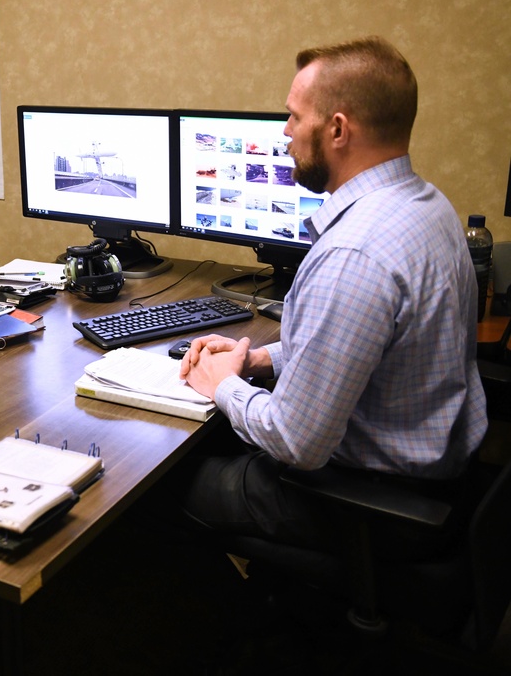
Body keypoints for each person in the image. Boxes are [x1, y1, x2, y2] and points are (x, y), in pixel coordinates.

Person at [173, 36, 487, 551]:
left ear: (337, 129)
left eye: (294, 117)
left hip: (366, 501)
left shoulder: (353, 254)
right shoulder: (425, 204)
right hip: (441, 478)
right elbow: (361, 348)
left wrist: (221, 385)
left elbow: (298, 442)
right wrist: (257, 361)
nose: (285, 132)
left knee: (160, 482)